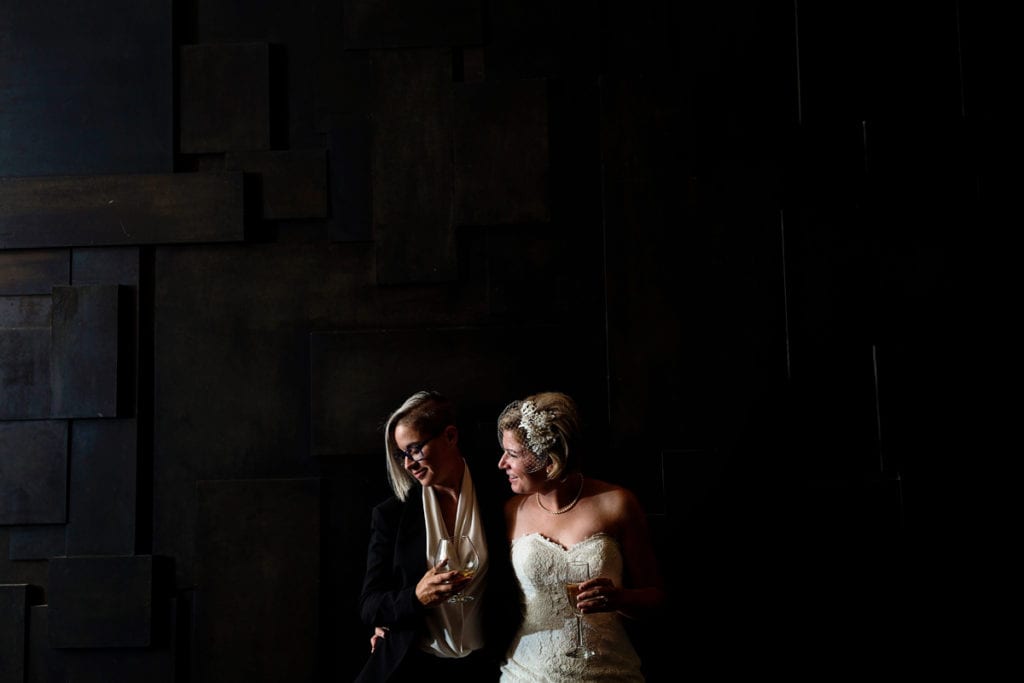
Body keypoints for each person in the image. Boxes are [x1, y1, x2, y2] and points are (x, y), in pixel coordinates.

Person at [496, 391, 666, 682]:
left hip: (609, 672)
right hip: (527, 673)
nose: (502, 464)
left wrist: (618, 599)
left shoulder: (617, 503)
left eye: (512, 454)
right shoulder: (510, 512)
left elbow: (656, 599)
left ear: (548, 461)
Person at [355, 390, 520, 682]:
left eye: (415, 449)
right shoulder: (391, 514)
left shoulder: (500, 493)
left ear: (450, 436)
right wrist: (415, 598)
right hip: (413, 667)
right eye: (401, 454)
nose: (408, 464)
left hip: (487, 666)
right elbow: (370, 605)